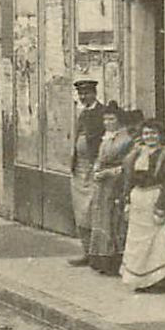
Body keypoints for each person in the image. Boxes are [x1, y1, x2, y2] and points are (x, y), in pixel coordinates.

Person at [121, 118, 165, 291]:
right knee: (138, 242)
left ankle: (161, 281)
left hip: (155, 198)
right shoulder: (136, 153)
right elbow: (128, 178)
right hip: (138, 200)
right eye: (146, 133)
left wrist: (161, 206)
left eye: (154, 133)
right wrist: (127, 200)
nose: (150, 137)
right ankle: (141, 280)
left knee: (158, 243)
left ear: (160, 135)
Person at [68, 78, 110, 266]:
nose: (84, 97)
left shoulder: (102, 113)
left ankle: (97, 254)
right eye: (81, 94)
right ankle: (86, 251)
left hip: (94, 168)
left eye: (87, 93)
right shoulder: (82, 113)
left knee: (93, 210)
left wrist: (98, 163)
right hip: (80, 168)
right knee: (81, 213)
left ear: (94, 93)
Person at [88, 105, 133, 275]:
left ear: (119, 120)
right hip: (102, 184)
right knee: (102, 218)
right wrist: (97, 167)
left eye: (111, 119)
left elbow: (127, 165)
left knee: (115, 220)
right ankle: (102, 259)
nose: (107, 123)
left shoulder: (126, 139)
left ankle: (115, 260)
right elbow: (100, 157)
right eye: (105, 119)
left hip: (116, 184)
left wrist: (107, 172)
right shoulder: (106, 137)